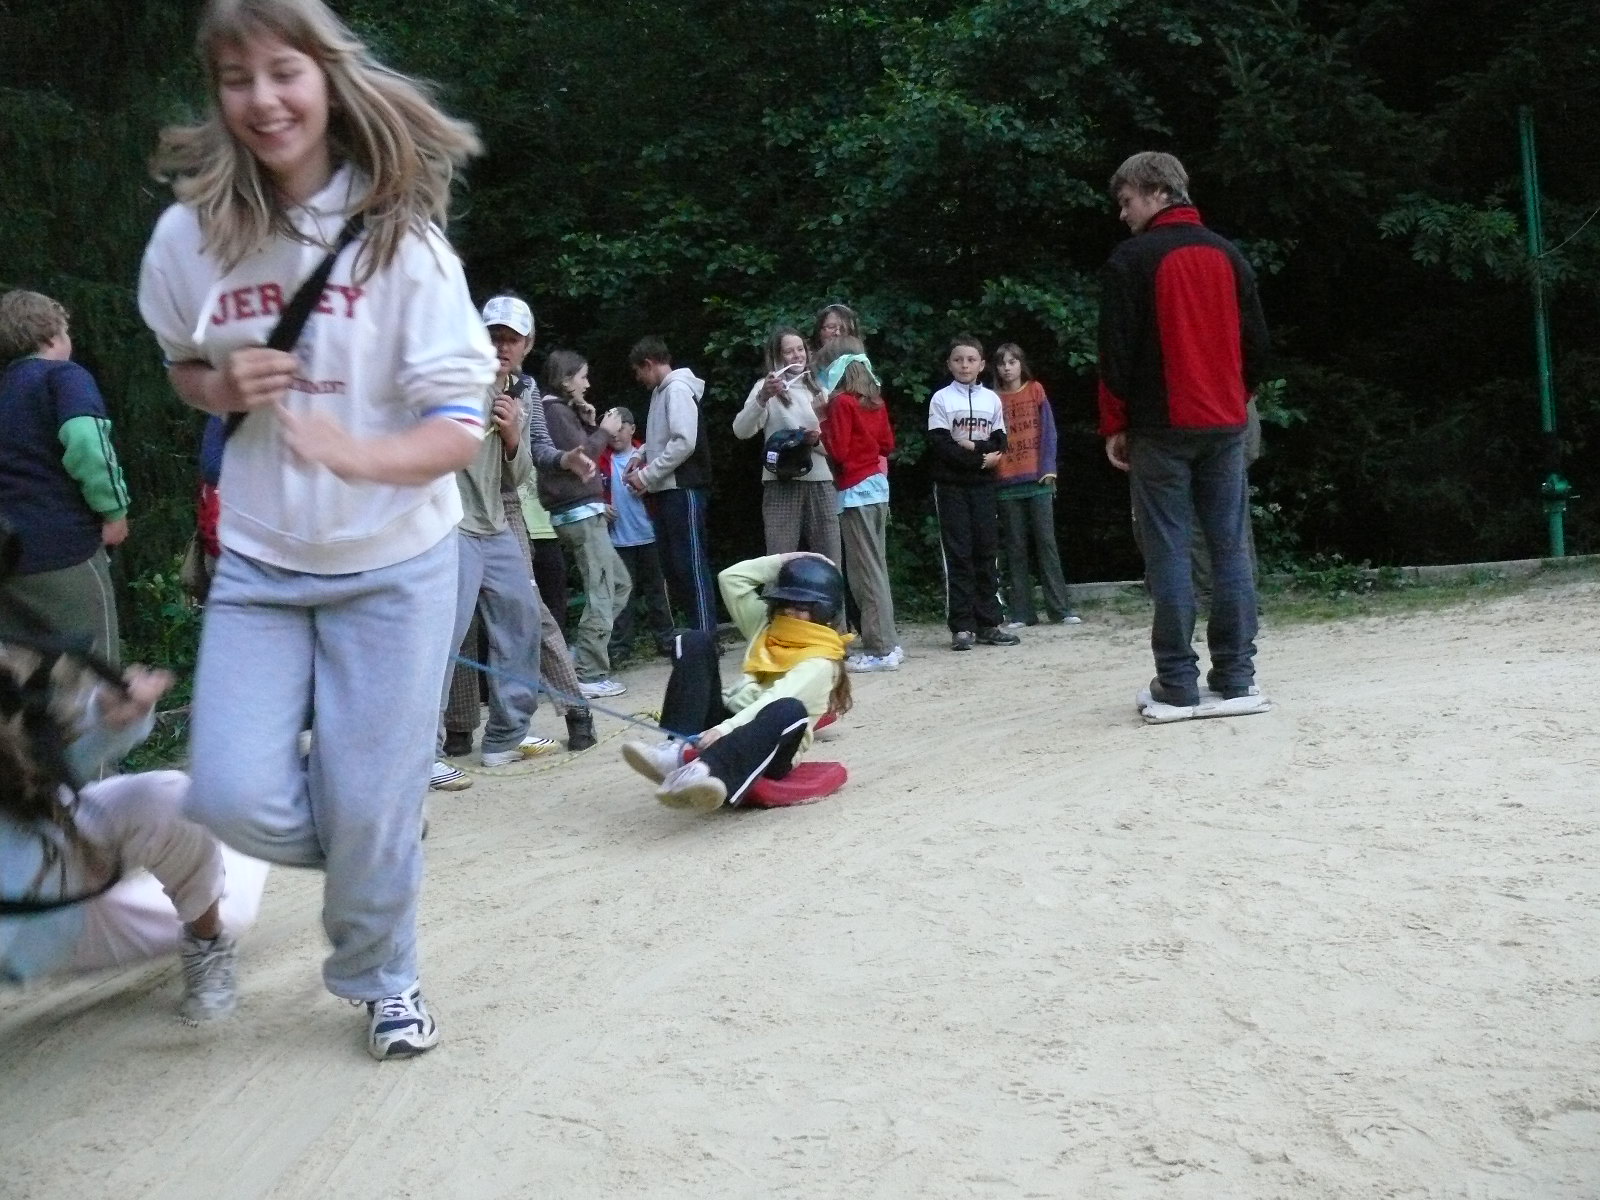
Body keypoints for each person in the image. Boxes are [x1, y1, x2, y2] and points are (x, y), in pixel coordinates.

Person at [137, 0, 496, 1060]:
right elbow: (183, 367)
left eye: (282, 72)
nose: (262, 100)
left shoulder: (403, 244)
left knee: (373, 802)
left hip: (398, 559)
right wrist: (221, 387)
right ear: (217, 95)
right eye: (236, 79)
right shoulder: (190, 237)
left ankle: (383, 978)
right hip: (261, 556)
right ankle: (375, 837)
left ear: (326, 80)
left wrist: (356, 453)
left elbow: (458, 429)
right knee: (231, 792)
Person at [0, 648, 265, 1022]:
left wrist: (106, 721)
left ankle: (209, 934)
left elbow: (39, 764)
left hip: (60, 864)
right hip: (43, 934)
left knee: (168, 801)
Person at [1098, 151, 1270, 707]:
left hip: (1159, 428)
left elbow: (1115, 356)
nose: (1123, 213)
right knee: (1229, 547)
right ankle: (1236, 674)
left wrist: (1115, 424)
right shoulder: (1228, 255)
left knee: (1169, 550)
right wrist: (1235, 398)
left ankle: (1176, 681)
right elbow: (1258, 348)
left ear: (1156, 192)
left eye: (1127, 201)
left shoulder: (1132, 261)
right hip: (1224, 425)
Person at [620, 553, 851, 812]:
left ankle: (703, 771)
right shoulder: (767, 627)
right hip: (729, 723)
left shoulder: (821, 663)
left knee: (788, 708)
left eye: (801, 607)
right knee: (695, 641)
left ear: (824, 611)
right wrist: (788, 561)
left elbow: (771, 699)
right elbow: (730, 579)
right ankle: (676, 749)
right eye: (785, 602)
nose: (789, 611)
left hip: (770, 745)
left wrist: (723, 730)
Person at [0, 291, 131, 662]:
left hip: (7, 561)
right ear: (53, 336)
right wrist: (114, 512)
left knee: (26, 680)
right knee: (95, 675)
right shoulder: (63, 377)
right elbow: (87, 444)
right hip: (64, 551)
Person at [539, 349, 630, 698]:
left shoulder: (564, 412)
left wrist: (591, 425)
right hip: (578, 514)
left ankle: (581, 656)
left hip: (585, 511)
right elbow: (584, 458)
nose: (587, 384)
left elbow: (584, 449)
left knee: (618, 585)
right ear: (566, 380)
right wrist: (604, 431)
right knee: (602, 591)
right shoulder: (554, 411)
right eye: (583, 377)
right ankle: (589, 673)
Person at [926, 336, 1019, 651]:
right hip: (951, 485)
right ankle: (962, 626)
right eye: (958, 360)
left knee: (986, 551)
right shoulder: (941, 399)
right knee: (959, 553)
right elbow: (941, 445)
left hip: (983, 487)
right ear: (949, 364)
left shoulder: (991, 399)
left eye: (970, 360)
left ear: (981, 365)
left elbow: (1000, 441)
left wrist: (975, 447)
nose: (964, 365)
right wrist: (979, 459)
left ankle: (989, 623)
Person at [815, 337, 901, 672]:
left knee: (864, 572)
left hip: (854, 491)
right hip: (877, 488)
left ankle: (880, 649)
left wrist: (821, 424)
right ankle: (888, 643)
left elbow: (837, 451)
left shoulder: (841, 403)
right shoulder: (874, 400)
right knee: (876, 567)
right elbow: (887, 444)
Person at [625, 336, 717, 633]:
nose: (638, 378)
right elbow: (662, 437)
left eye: (638, 371)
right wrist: (640, 454)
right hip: (667, 491)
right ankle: (696, 636)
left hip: (684, 489)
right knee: (676, 568)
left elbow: (683, 442)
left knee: (690, 566)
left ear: (648, 363)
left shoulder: (677, 389)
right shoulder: (660, 391)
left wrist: (646, 476)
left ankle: (705, 638)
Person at [732, 326, 843, 566]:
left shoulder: (820, 388)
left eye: (800, 349)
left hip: (821, 481)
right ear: (777, 357)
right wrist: (763, 397)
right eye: (789, 351)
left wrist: (816, 440)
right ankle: (781, 594)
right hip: (781, 482)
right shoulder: (765, 388)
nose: (797, 356)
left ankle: (832, 594)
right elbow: (741, 431)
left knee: (830, 560)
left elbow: (837, 446)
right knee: (779, 561)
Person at [993, 343, 1079, 627]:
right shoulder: (992, 399)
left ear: (1021, 364)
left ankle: (1060, 610)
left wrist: (1049, 468)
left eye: (1012, 361)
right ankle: (1022, 613)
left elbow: (1049, 432)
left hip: (1038, 479)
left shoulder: (1035, 390)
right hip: (1006, 481)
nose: (1007, 368)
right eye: (1002, 363)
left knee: (1047, 544)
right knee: (1015, 547)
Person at [599, 407, 674, 663]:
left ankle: (666, 640)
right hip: (617, 540)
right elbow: (590, 490)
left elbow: (663, 485)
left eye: (621, 428)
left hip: (651, 535)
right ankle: (620, 648)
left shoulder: (648, 455)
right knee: (622, 595)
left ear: (632, 429)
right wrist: (600, 507)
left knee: (658, 591)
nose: (615, 434)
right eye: (611, 429)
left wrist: (648, 486)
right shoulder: (599, 459)